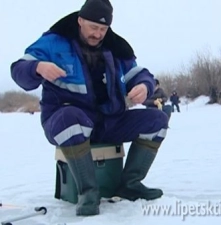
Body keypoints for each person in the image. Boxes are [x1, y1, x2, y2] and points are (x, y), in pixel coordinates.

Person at [10, 0, 168, 216]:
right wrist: (37, 67)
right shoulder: (54, 41)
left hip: (108, 121)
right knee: (72, 118)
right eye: (93, 27)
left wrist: (143, 86)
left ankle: (130, 185)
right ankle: (88, 192)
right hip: (64, 119)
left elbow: (139, 73)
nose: (98, 34)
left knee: (157, 121)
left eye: (103, 29)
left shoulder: (116, 46)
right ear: (80, 20)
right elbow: (18, 69)